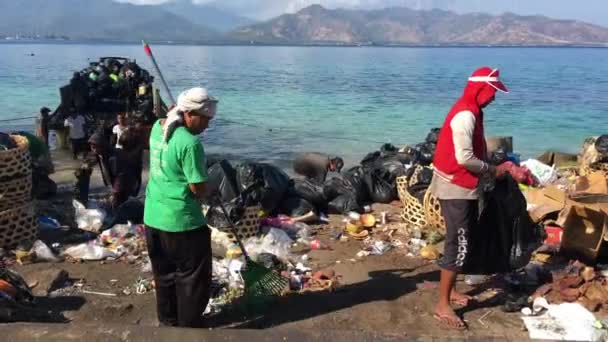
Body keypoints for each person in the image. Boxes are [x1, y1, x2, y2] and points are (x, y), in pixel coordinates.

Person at [429, 66, 509, 330]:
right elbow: (464, 158)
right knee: (459, 243)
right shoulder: (465, 114)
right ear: (481, 89)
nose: (494, 97)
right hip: (455, 187)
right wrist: (491, 169)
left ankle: (450, 292)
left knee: (462, 238)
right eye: (493, 91)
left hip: (461, 184)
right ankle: (442, 304)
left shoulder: (472, 109)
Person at [144, 87, 218, 328]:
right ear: (189, 114)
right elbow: (197, 188)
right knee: (192, 278)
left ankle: (168, 321)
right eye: (205, 119)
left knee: (164, 275)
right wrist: (211, 191)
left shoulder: (157, 128)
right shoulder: (190, 143)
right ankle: (189, 326)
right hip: (182, 222)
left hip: (153, 219)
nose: (207, 126)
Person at [88, 132, 139, 210]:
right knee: (116, 203)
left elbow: (120, 176)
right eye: (92, 147)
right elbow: (92, 158)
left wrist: (115, 193)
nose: (94, 150)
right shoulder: (100, 152)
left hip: (127, 182)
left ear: (102, 145)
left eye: (95, 147)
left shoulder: (114, 157)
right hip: (120, 181)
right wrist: (86, 165)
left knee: (121, 204)